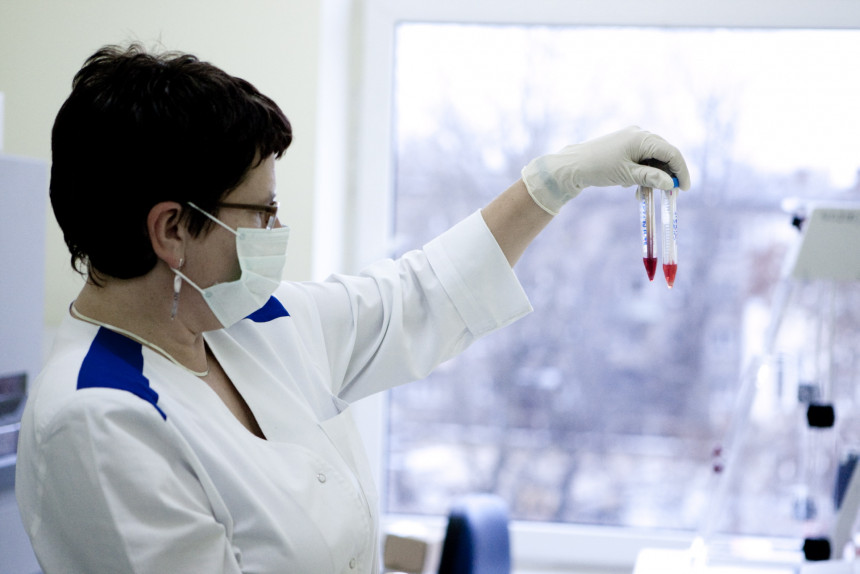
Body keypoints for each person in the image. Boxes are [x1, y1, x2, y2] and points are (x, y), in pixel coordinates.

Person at [15, 44, 690, 574]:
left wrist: (552, 182)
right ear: (172, 231)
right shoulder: (98, 419)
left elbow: (418, 295)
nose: (278, 229)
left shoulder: (247, 325)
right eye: (262, 211)